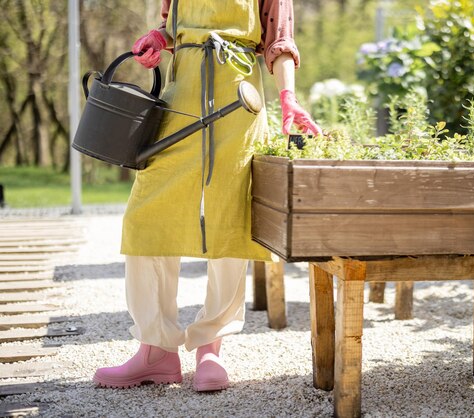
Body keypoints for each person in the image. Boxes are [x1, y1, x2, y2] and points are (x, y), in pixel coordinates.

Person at [93, 0, 320, 392]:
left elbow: (279, 40)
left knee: (230, 217)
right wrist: (159, 38)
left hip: (240, 98)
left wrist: (288, 96)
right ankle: (155, 348)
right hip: (181, 97)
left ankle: (210, 347)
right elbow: (173, 23)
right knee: (147, 215)